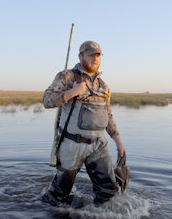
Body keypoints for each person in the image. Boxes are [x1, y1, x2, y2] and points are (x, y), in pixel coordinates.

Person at [42, 40, 126, 206]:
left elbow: (108, 115)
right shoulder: (67, 76)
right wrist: (73, 92)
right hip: (73, 144)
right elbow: (47, 101)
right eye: (91, 55)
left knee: (109, 192)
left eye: (98, 55)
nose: (95, 58)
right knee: (59, 195)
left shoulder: (103, 86)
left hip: (98, 145)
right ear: (80, 56)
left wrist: (119, 142)